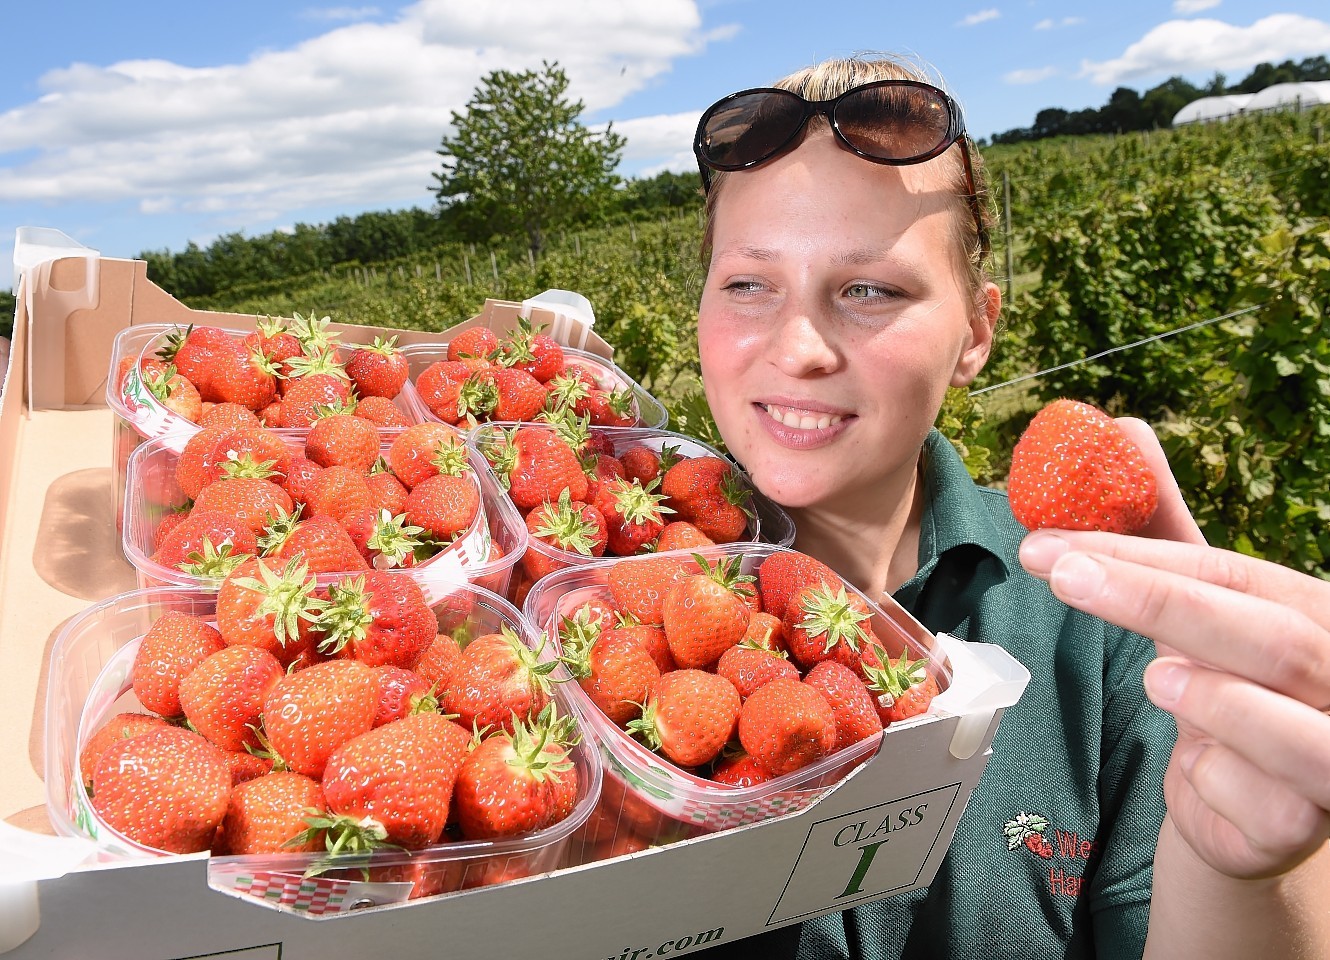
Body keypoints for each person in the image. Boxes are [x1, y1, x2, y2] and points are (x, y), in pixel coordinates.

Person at [688, 53, 1330, 958]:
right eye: (748, 284)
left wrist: (1242, 869)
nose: (799, 349)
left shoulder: (1100, 625)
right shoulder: (595, 601)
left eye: (870, 288)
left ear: (976, 333)